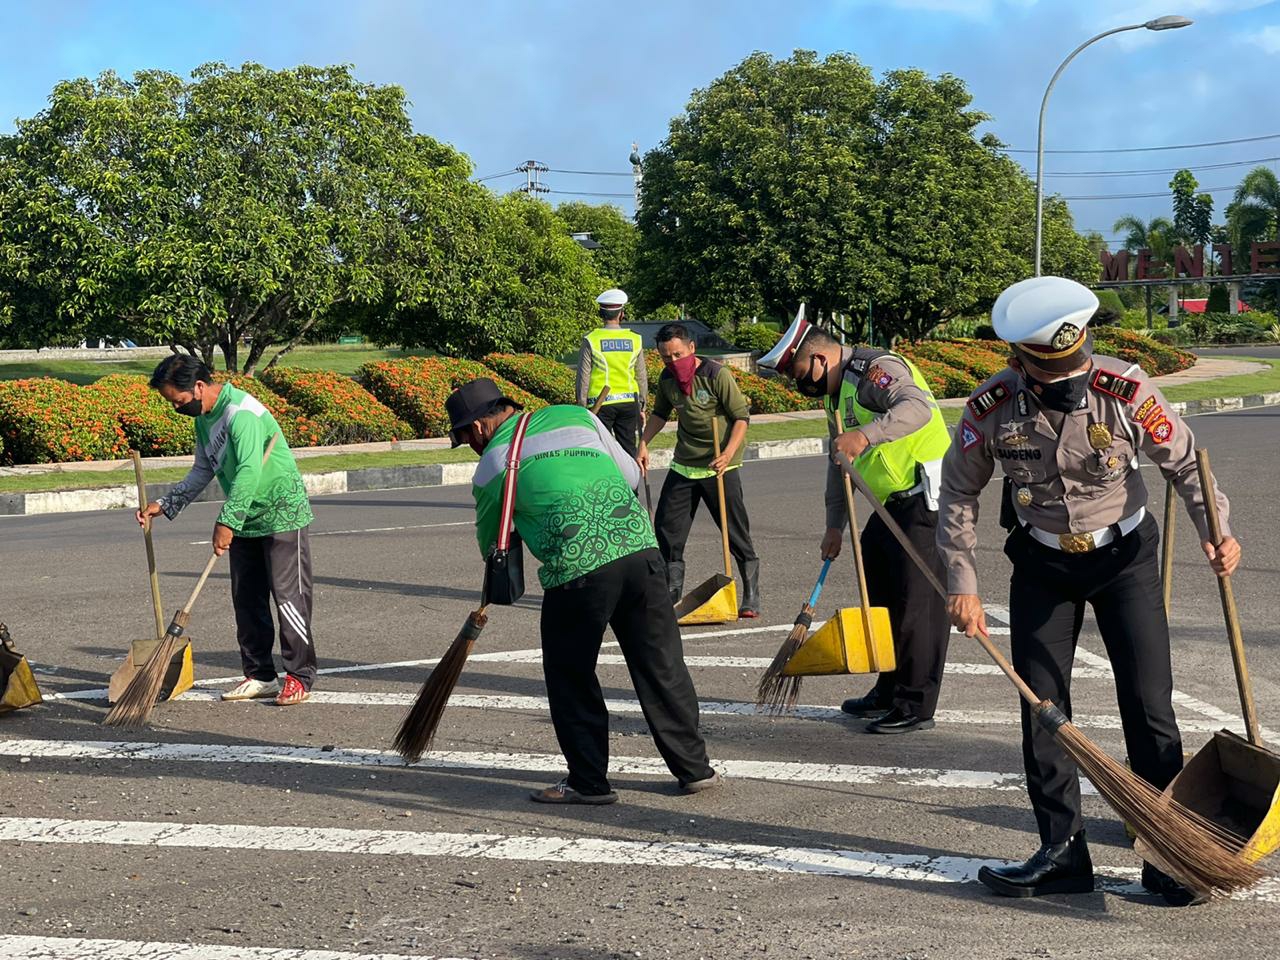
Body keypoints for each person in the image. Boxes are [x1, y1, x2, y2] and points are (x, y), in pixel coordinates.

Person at [936, 275, 1242, 905]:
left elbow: (1185, 464)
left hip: (1125, 557)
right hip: (1043, 566)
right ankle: (1062, 852)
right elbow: (959, 493)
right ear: (1020, 362)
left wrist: (1218, 530)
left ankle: (1167, 851)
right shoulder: (990, 407)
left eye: (1074, 374)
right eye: (1052, 380)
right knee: (1043, 709)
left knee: (1149, 702)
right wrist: (962, 582)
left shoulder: (1124, 387)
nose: (1068, 388)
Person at [447, 378, 719, 804]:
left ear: (479, 428)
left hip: (578, 571)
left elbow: (494, 547)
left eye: (464, 438)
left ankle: (588, 782)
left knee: (570, 674)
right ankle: (694, 768)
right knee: (661, 663)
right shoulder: (577, 415)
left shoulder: (494, 464)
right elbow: (630, 473)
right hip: (640, 552)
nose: (469, 446)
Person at [757, 312, 952, 734]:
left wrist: (866, 435)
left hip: (924, 497)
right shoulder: (835, 394)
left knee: (915, 604)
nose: (798, 384)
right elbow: (838, 464)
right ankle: (889, 685)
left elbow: (915, 407)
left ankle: (915, 702)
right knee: (881, 591)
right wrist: (834, 526)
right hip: (890, 502)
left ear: (821, 359)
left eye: (797, 373)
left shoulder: (874, 370)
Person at [136, 355, 317, 707]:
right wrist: (168, 504)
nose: (177, 408)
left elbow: (249, 471)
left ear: (199, 387)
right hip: (244, 513)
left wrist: (226, 521)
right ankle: (261, 674)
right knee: (246, 599)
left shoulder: (241, 413)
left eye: (179, 401)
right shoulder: (205, 418)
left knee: (289, 597)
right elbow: (203, 469)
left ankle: (300, 676)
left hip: (280, 512)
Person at [637, 323, 760, 618]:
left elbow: (741, 417)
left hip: (720, 464)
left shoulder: (717, 375)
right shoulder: (667, 378)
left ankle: (751, 594)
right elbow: (660, 414)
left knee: (735, 532)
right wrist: (643, 443)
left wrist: (728, 453)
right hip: (685, 463)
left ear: (692, 349)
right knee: (667, 530)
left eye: (678, 355)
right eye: (667, 357)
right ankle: (671, 596)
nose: (673, 362)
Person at [576, 288, 647, 457]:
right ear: (621, 314)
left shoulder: (591, 339)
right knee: (628, 449)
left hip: (599, 403)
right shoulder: (635, 339)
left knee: (601, 451)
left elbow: (583, 376)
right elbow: (642, 375)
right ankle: (631, 483)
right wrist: (643, 405)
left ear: (601, 313)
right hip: (629, 401)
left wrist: (581, 405)